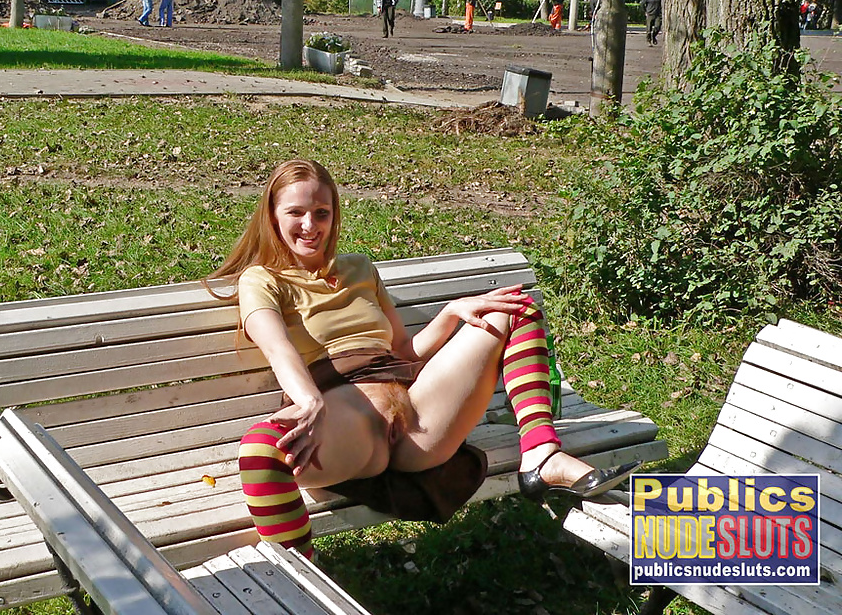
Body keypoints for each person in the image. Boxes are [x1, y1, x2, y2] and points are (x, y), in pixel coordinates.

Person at [207, 159, 640, 558]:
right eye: (296, 213)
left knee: (514, 306)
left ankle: (542, 456)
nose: (310, 225)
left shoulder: (359, 268)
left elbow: (402, 350)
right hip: (344, 422)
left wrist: (452, 312)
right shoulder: (262, 279)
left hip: (416, 414)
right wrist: (308, 400)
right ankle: (301, 578)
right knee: (261, 451)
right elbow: (277, 347)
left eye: (321, 212)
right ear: (272, 216)